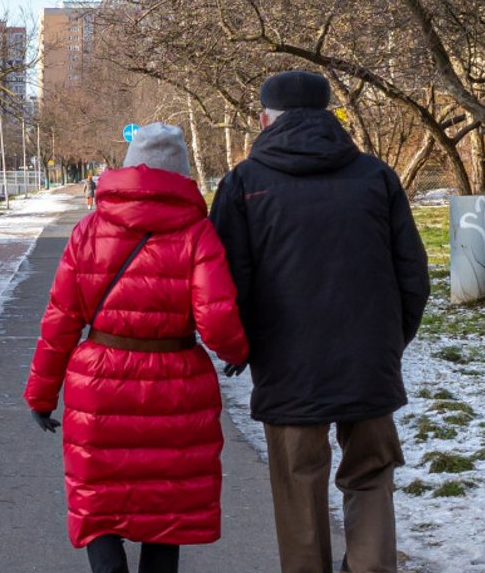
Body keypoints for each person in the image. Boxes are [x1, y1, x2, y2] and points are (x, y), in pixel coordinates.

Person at [209, 71, 430, 573]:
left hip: (287, 362)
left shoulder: (244, 182)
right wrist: (390, 342)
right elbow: (413, 274)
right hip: (368, 357)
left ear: (264, 119)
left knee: (298, 483)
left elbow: (226, 282)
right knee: (372, 475)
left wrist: (242, 350)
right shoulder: (375, 176)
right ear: (330, 115)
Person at [26, 123, 250, 573]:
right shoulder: (197, 233)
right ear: (181, 174)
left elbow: (61, 320)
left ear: (129, 169)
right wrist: (237, 351)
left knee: (99, 504)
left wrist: (40, 394)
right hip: (176, 383)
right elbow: (217, 317)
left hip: (100, 383)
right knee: (166, 511)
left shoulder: (89, 231)